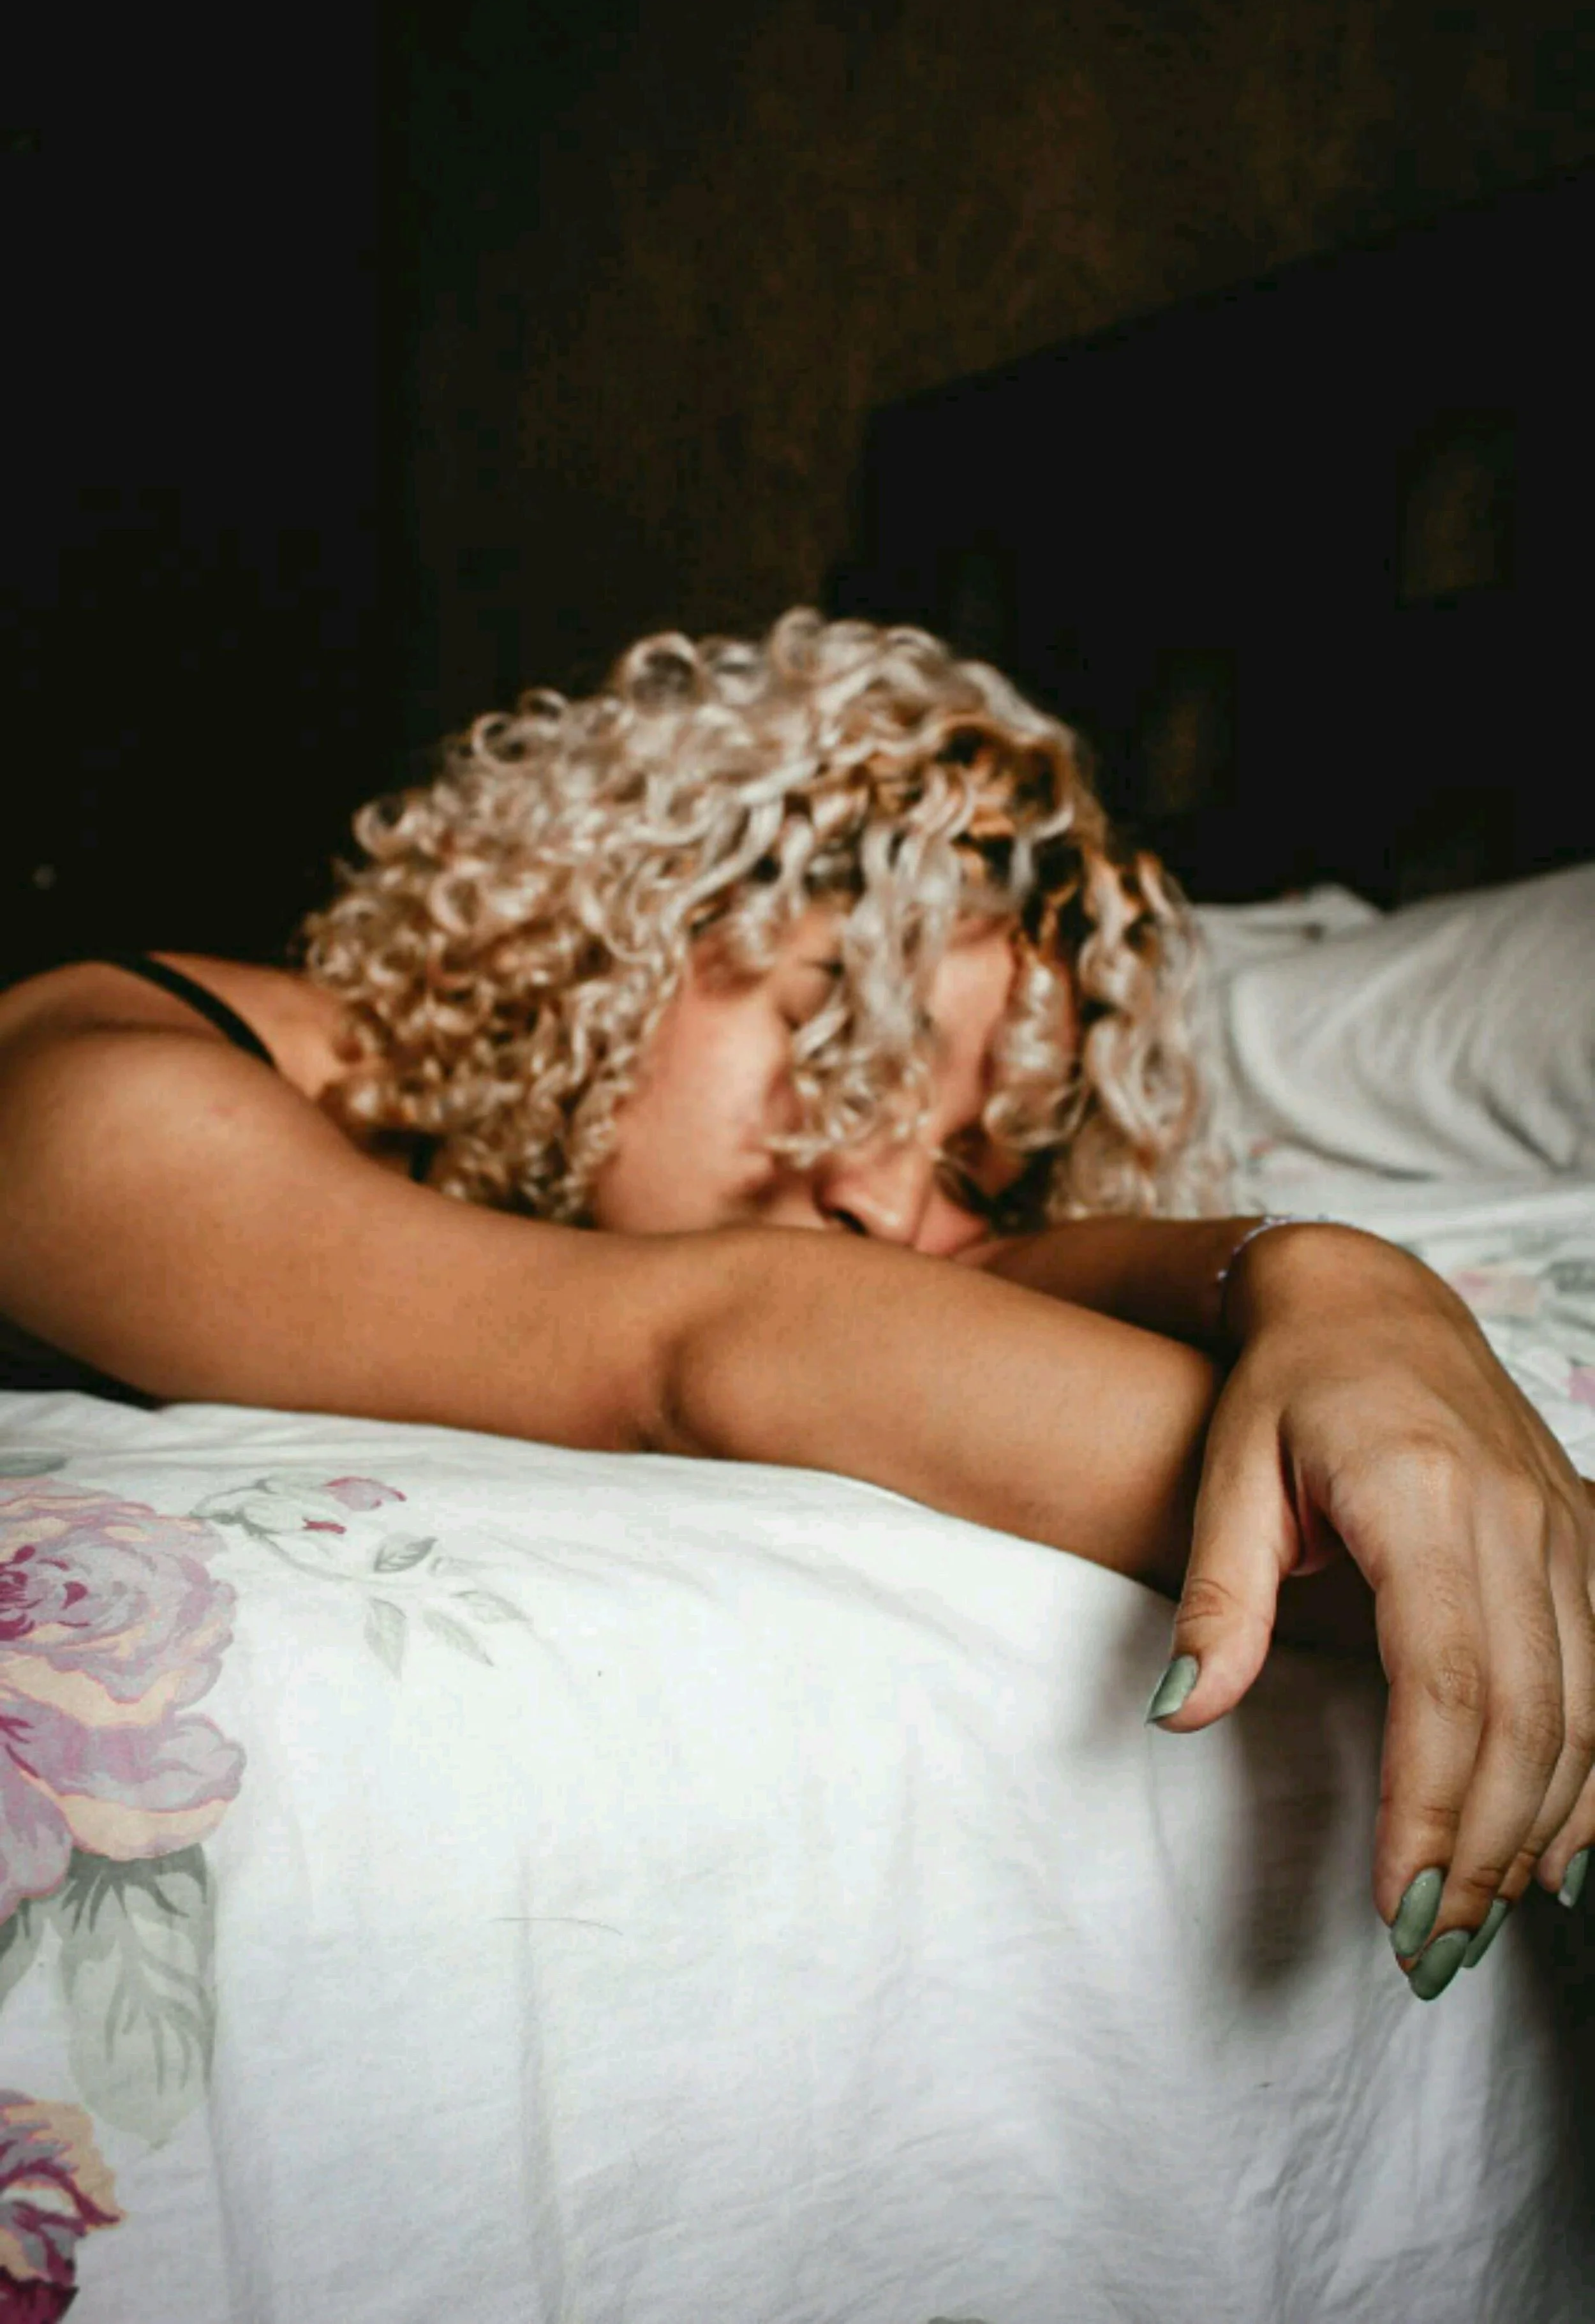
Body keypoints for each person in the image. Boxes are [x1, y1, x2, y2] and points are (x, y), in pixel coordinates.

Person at [0, 609, 1590, 2004]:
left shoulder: (675, 1199)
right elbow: (707, 1341)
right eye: (853, 1048)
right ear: (627, 914)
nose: (886, 1198)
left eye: (976, 1157)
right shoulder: (107, 1102)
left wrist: (1343, 1288)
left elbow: (925, 1286)